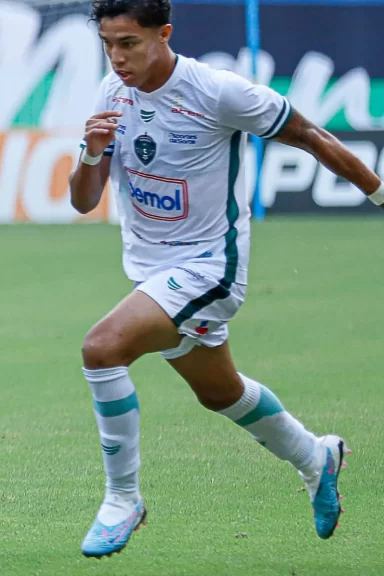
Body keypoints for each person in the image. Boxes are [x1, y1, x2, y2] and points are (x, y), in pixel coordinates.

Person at [69, 0, 381, 558]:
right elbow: (83, 199)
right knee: (221, 393)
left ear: (163, 34)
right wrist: (91, 155)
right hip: (150, 274)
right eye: (108, 44)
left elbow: (311, 135)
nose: (117, 58)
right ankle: (317, 457)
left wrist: (380, 193)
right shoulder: (111, 94)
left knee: (102, 348)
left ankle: (123, 500)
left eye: (129, 44)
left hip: (210, 269)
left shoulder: (218, 92)